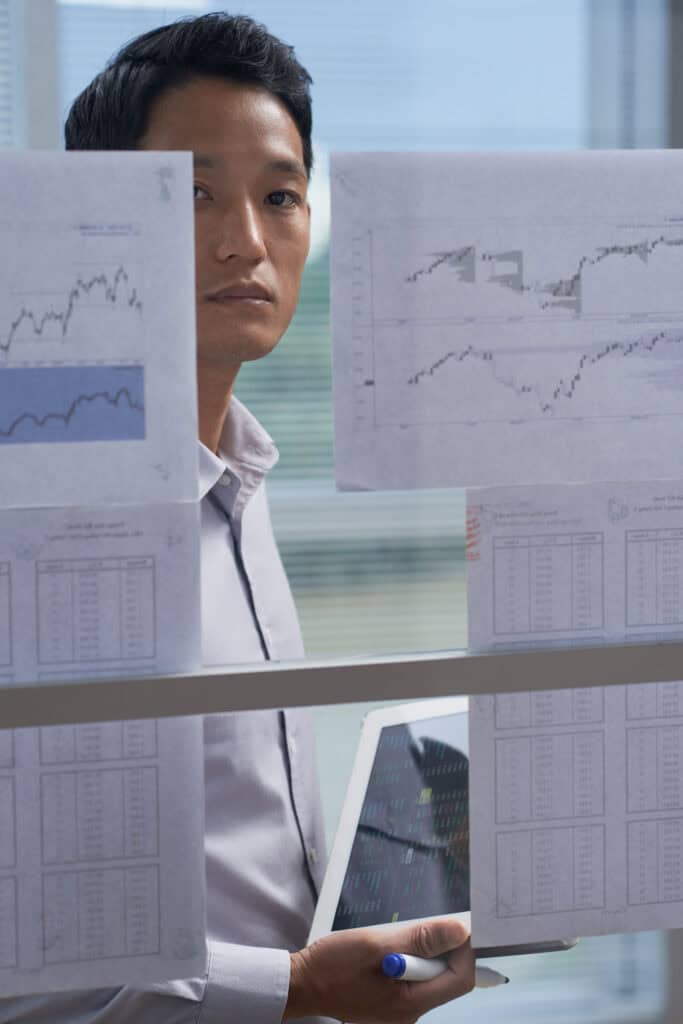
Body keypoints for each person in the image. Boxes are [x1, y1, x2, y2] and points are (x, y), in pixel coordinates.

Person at [0, 13, 474, 1023]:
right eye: (192, 194)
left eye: (280, 196)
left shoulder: (238, 474)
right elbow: (31, 950)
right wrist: (297, 989)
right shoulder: (49, 532)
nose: (244, 241)